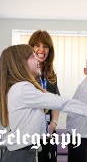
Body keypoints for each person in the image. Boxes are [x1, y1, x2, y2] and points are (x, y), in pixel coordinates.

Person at [0, 44, 87, 162]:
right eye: (32, 56)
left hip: (25, 152)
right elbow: (61, 103)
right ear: (20, 63)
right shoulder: (22, 88)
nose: (37, 58)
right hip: (21, 155)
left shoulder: (21, 88)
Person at [28, 30, 59, 162]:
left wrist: (53, 123)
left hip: (48, 130)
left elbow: (56, 101)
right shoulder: (24, 72)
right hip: (29, 130)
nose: (41, 49)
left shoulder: (50, 73)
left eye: (45, 46)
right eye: (37, 45)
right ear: (31, 48)